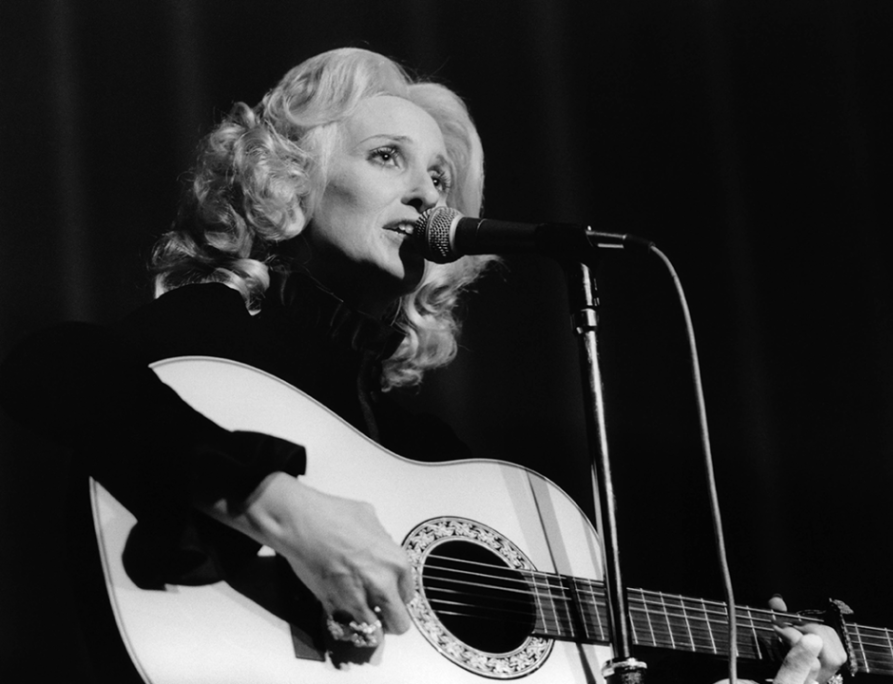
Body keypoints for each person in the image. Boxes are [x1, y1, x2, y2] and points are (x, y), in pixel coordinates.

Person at [0, 47, 843, 683]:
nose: (426, 195)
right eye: (386, 158)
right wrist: (279, 505)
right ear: (290, 177)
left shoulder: (434, 456)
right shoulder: (216, 331)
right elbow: (51, 366)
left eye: (440, 177)